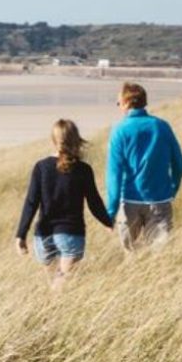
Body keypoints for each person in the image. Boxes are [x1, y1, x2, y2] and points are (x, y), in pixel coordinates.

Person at [16, 119, 113, 288]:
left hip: (43, 236)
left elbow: (31, 202)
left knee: (55, 284)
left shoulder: (41, 167)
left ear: (53, 141)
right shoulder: (83, 169)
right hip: (71, 234)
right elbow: (94, 201)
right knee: (61, 287)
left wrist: (21, 234)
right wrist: (107, 221)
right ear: (76, 139)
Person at [106, 82, 182, 250]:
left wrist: (111, 211)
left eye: (118, 102)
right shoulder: (161, 126)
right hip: (160, 200)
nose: (118, 106)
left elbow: (114, 174)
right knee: (159, 256)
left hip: (129, 201)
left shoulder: (119, 130)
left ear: (127, 103)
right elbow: (179, 164)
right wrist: (172, 189)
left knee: (131, 254)